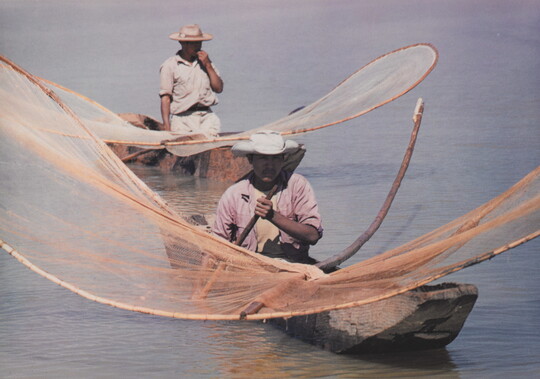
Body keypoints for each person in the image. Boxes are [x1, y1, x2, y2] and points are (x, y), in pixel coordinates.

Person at [212, 131, 323, 264]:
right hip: (250, 266)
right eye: (263, 158)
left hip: (293, 263)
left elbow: (312, 236)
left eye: (275, 158)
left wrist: (273, 216)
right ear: (250, 160)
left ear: (283, 160)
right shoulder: (234, 194)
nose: (269, 165)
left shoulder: (297, 185)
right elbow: (217, 244)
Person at [159, 24, 223, 136]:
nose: (197, 46)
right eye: (193, 43)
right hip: (182, 120)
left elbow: (218, 88)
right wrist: (167, 127)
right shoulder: (170, 65)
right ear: (183, 43)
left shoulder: (206, 62)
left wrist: (208, 65)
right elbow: (165, 99)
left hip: (206, 116)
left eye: (199, 42)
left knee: (210, 148)